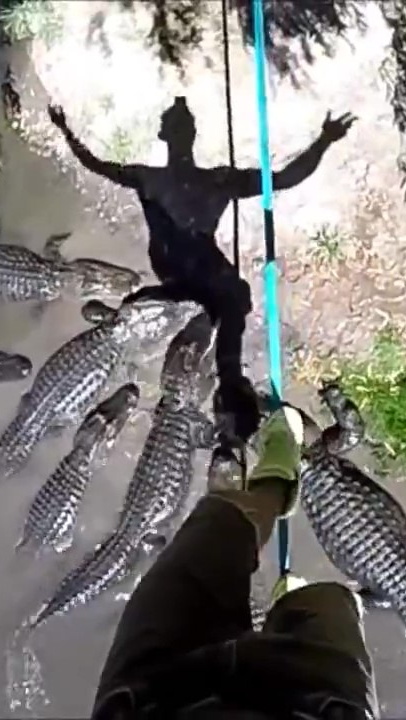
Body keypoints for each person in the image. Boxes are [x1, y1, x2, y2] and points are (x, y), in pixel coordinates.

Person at [47, 97, 355, 445]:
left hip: (174, 281)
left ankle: (221, 389)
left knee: (152, 308)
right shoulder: (219, 180)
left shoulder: (146, 177)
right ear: (192, 135)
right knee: (231, 319)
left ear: (163, 135)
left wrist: (64, 129)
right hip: (209, 278)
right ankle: (233, 396)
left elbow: (93, 164)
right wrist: (325, 140)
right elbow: (284, 179)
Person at [91, 406, 376, 719]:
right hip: (313, 704)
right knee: (331, 602)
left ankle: (273, 489)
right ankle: (289, 604)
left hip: (150, 697)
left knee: (215, 524)